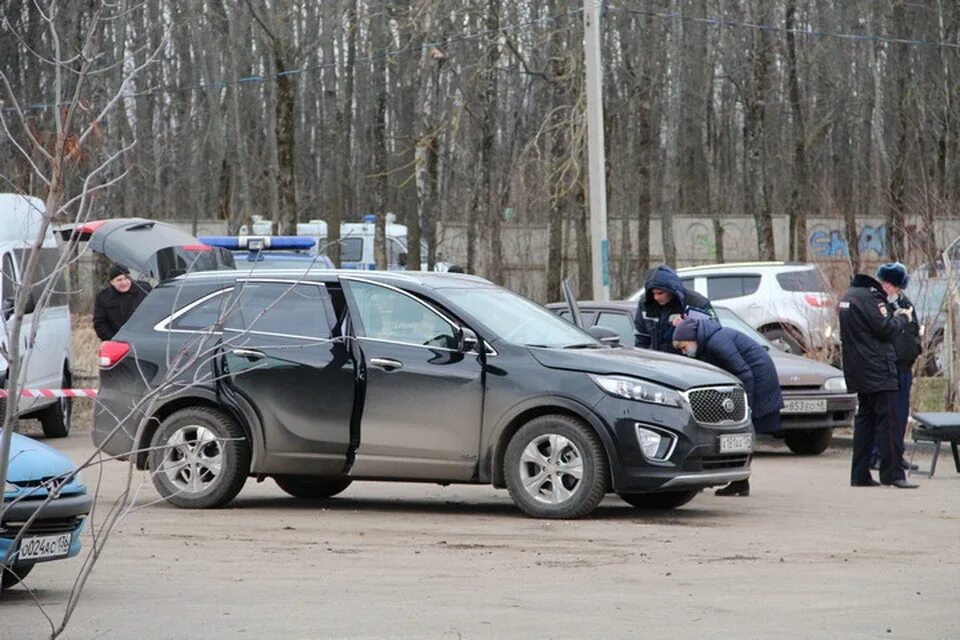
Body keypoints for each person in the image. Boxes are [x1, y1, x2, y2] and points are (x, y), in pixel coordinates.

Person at [672, 316, 783, 497]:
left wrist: (745, 409)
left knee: (742, 432)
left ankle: (739, 482)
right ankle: (736, 481)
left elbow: (745, 374)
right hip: (754, 380)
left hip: (758, 382)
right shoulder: (709, 340)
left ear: (693, 339)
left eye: (684, 347)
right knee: (736, 434)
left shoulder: (717, 342)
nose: (685, 352)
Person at [838, 272, 918, 489]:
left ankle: (860, 474)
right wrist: (903, 317)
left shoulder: (849, 295)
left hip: (858, 369)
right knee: (888, 422)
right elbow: (885, 329)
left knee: (864, 422)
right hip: (878, 369)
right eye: (895, 288)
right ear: (886, 285)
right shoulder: (872, 298)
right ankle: (893, 474)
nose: (894, 293)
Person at [872, 263, 922, 471]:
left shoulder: (905, 302)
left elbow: (914, 329)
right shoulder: (878, 304)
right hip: (887, 368)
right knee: (886, 416)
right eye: (889, 285)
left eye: (896, 286)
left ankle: (896, 454)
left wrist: (916, 348)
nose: (893, 290)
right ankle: (877, 455)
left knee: (900, 415)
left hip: (904, 366)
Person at [635, 265, 713, 353]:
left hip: (688, 362)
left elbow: (712, 334)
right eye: (653, 293)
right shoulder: (645, 303)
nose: (656, 297)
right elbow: (641, 339)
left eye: (660, 293)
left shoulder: (697, 302)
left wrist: (687, 327)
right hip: (655, 360)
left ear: (672, 290)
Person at [93, 264, 152, 341]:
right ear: (112, 282)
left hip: (144, 339)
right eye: (119, 280)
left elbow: (156, 313)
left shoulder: (144, 290)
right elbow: (100, 323)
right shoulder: (104, 298)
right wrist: (114, 340)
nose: (124, 282)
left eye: (126, 278)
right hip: (117, 343)